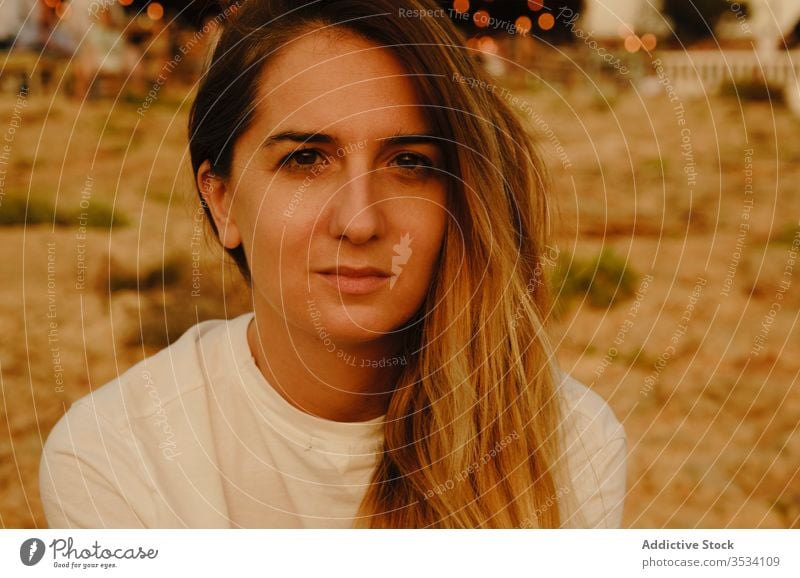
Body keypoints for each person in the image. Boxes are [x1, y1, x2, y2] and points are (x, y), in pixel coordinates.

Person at [40, 0, 626, 529]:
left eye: (409, 161)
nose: (360, 220)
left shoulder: (568, 445)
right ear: (221, 200)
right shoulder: (117, 456)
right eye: (305, 159)